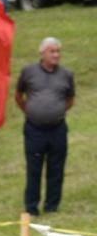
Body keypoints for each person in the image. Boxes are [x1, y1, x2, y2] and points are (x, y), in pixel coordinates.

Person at [16, 37, 76, 216]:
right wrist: (32, 112)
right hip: (35, 130)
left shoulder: (67, 75)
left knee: (56, 168)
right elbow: (19, 95)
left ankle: (52, 207)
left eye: (58, 51)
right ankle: (32, 208)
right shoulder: (28, 72)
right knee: (34, 169)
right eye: (52, 51)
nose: (56, 55)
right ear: (42, 53)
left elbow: (70, 99)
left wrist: (56, 112)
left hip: (57, 129)